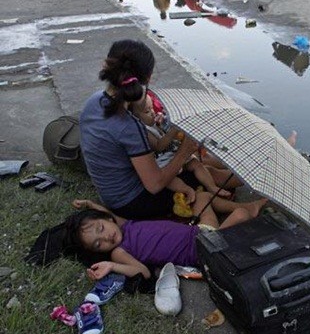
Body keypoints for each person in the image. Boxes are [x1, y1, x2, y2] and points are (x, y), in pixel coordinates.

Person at [79, 39, 257, 220]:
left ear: (107, 66)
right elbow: (155, 184)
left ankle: (247, 174)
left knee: (197, 165)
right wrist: (184, 151)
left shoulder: (94, 102)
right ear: (147, 79)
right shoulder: (128, 127)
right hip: (130, 203)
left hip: (110, 192)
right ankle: (251, 187)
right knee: (205, 172)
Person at [65, 197, 265, 280]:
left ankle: (251, 206)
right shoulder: (118, 251)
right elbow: (142, 271)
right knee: (240, 215)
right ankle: (251, 211)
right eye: (98, 244)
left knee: (203, 197)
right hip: (204, 248)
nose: (106, 237)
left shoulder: (122, 225)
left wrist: (90, 204)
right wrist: (111, 266)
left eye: (101, 228)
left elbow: (105, 214)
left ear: (108, 220)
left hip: (199, 231)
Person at [131, 93, 233, 200]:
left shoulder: (153, 123)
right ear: (135, 118)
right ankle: (187, 190)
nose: (152, 113)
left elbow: (163, 132)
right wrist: (173, 130)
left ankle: (211, 186)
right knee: (169, 180)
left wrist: (162, 123)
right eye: (147, 111)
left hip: (172, 154)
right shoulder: (143, 130)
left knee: (196, 163)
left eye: (152, 108)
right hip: (162, 161)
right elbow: (159, 146)